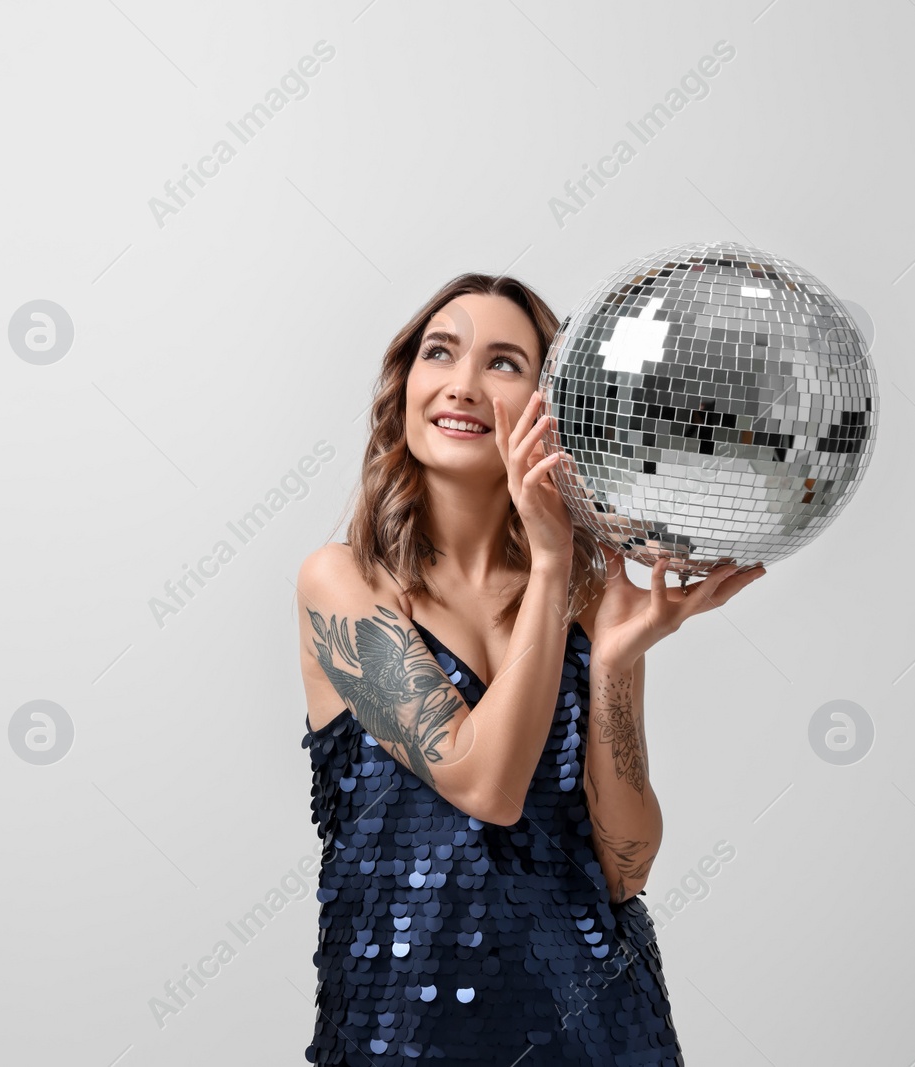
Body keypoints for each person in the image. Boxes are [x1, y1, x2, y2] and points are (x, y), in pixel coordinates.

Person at [295, 272, 764, 1064]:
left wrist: (614, 660)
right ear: (406, 383)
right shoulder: (343, 583)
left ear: (553, 408)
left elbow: (625, 866)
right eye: (440, 352)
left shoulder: (585, 593)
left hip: (600, 1027)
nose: (463, 384)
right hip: (399, 1032)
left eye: (505, 363)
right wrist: (551, 564)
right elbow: (486, 786)